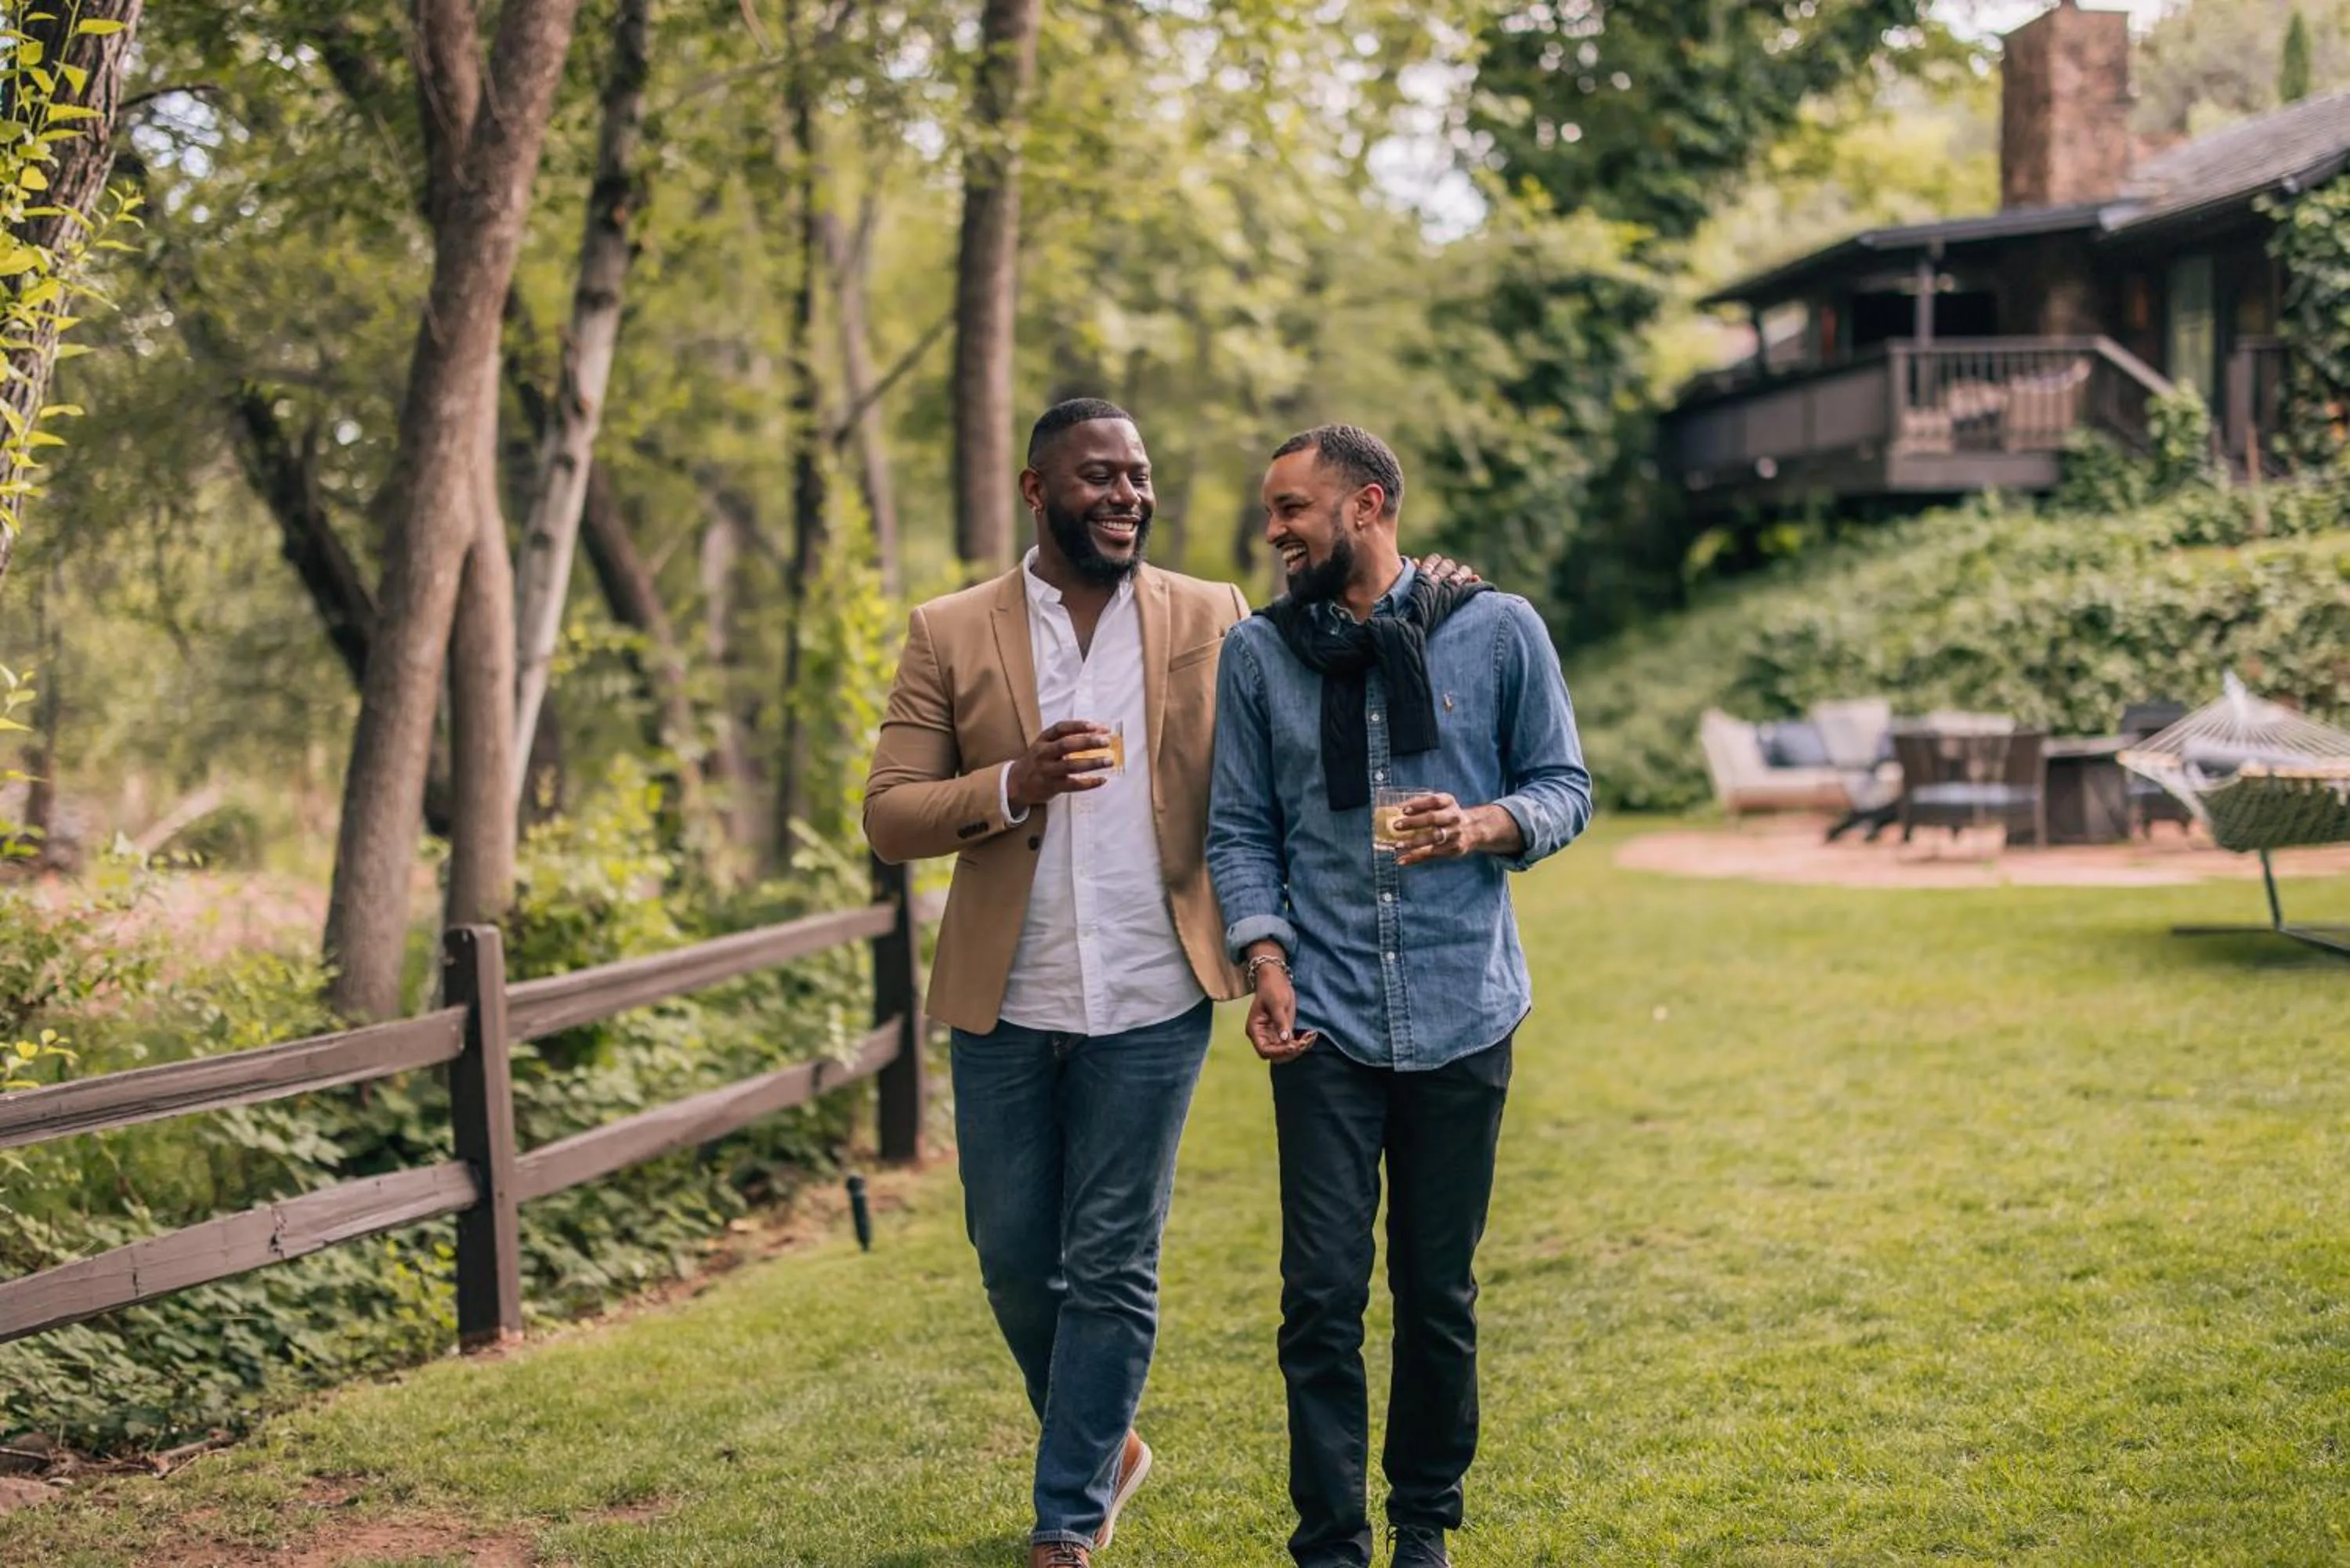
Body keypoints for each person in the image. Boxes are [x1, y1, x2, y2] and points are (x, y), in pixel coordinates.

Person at [863, 399, 1245, 1568]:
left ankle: (1066, 1520)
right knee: (1015, 1254)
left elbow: (1292, 736)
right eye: (1098, 476)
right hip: (1006, 998)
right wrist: (1013, 783)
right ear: (1037, 490)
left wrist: (1427, 593)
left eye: (1138, 474)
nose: (1127, 494)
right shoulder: (951, 628)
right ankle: (1110, 1444)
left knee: (1116, 1254)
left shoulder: (1211, 615)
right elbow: (889, 814)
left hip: (1151, 987)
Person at [1206, 424, 1592, 1568]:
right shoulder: (1257, 655)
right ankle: (1331, 1542)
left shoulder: (1499, 630)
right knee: (1320, 1299)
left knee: (1437, 1293)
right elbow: (1240, 827)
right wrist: (1264, 963)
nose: (1273, 529)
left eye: (1292, 508)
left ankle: (1424, 1521)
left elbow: (1566, 784)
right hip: (1321, 1016)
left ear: (1368, 505)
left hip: (1464, 1008)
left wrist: (1483, 823)